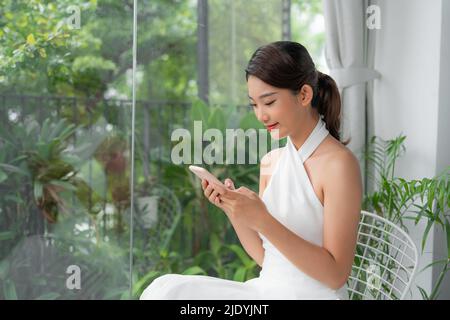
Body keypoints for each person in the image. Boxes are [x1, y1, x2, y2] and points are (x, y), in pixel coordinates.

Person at [140, 41, 363, 300]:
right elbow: (267, 258)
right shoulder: (271, 162)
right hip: (266, 291)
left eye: (268, 102)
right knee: (168, 290)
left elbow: (336, 275)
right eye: (254, 105)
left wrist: (263, 220)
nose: (261, 116)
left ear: (304, 95)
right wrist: (234, 210)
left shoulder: (339, 165)